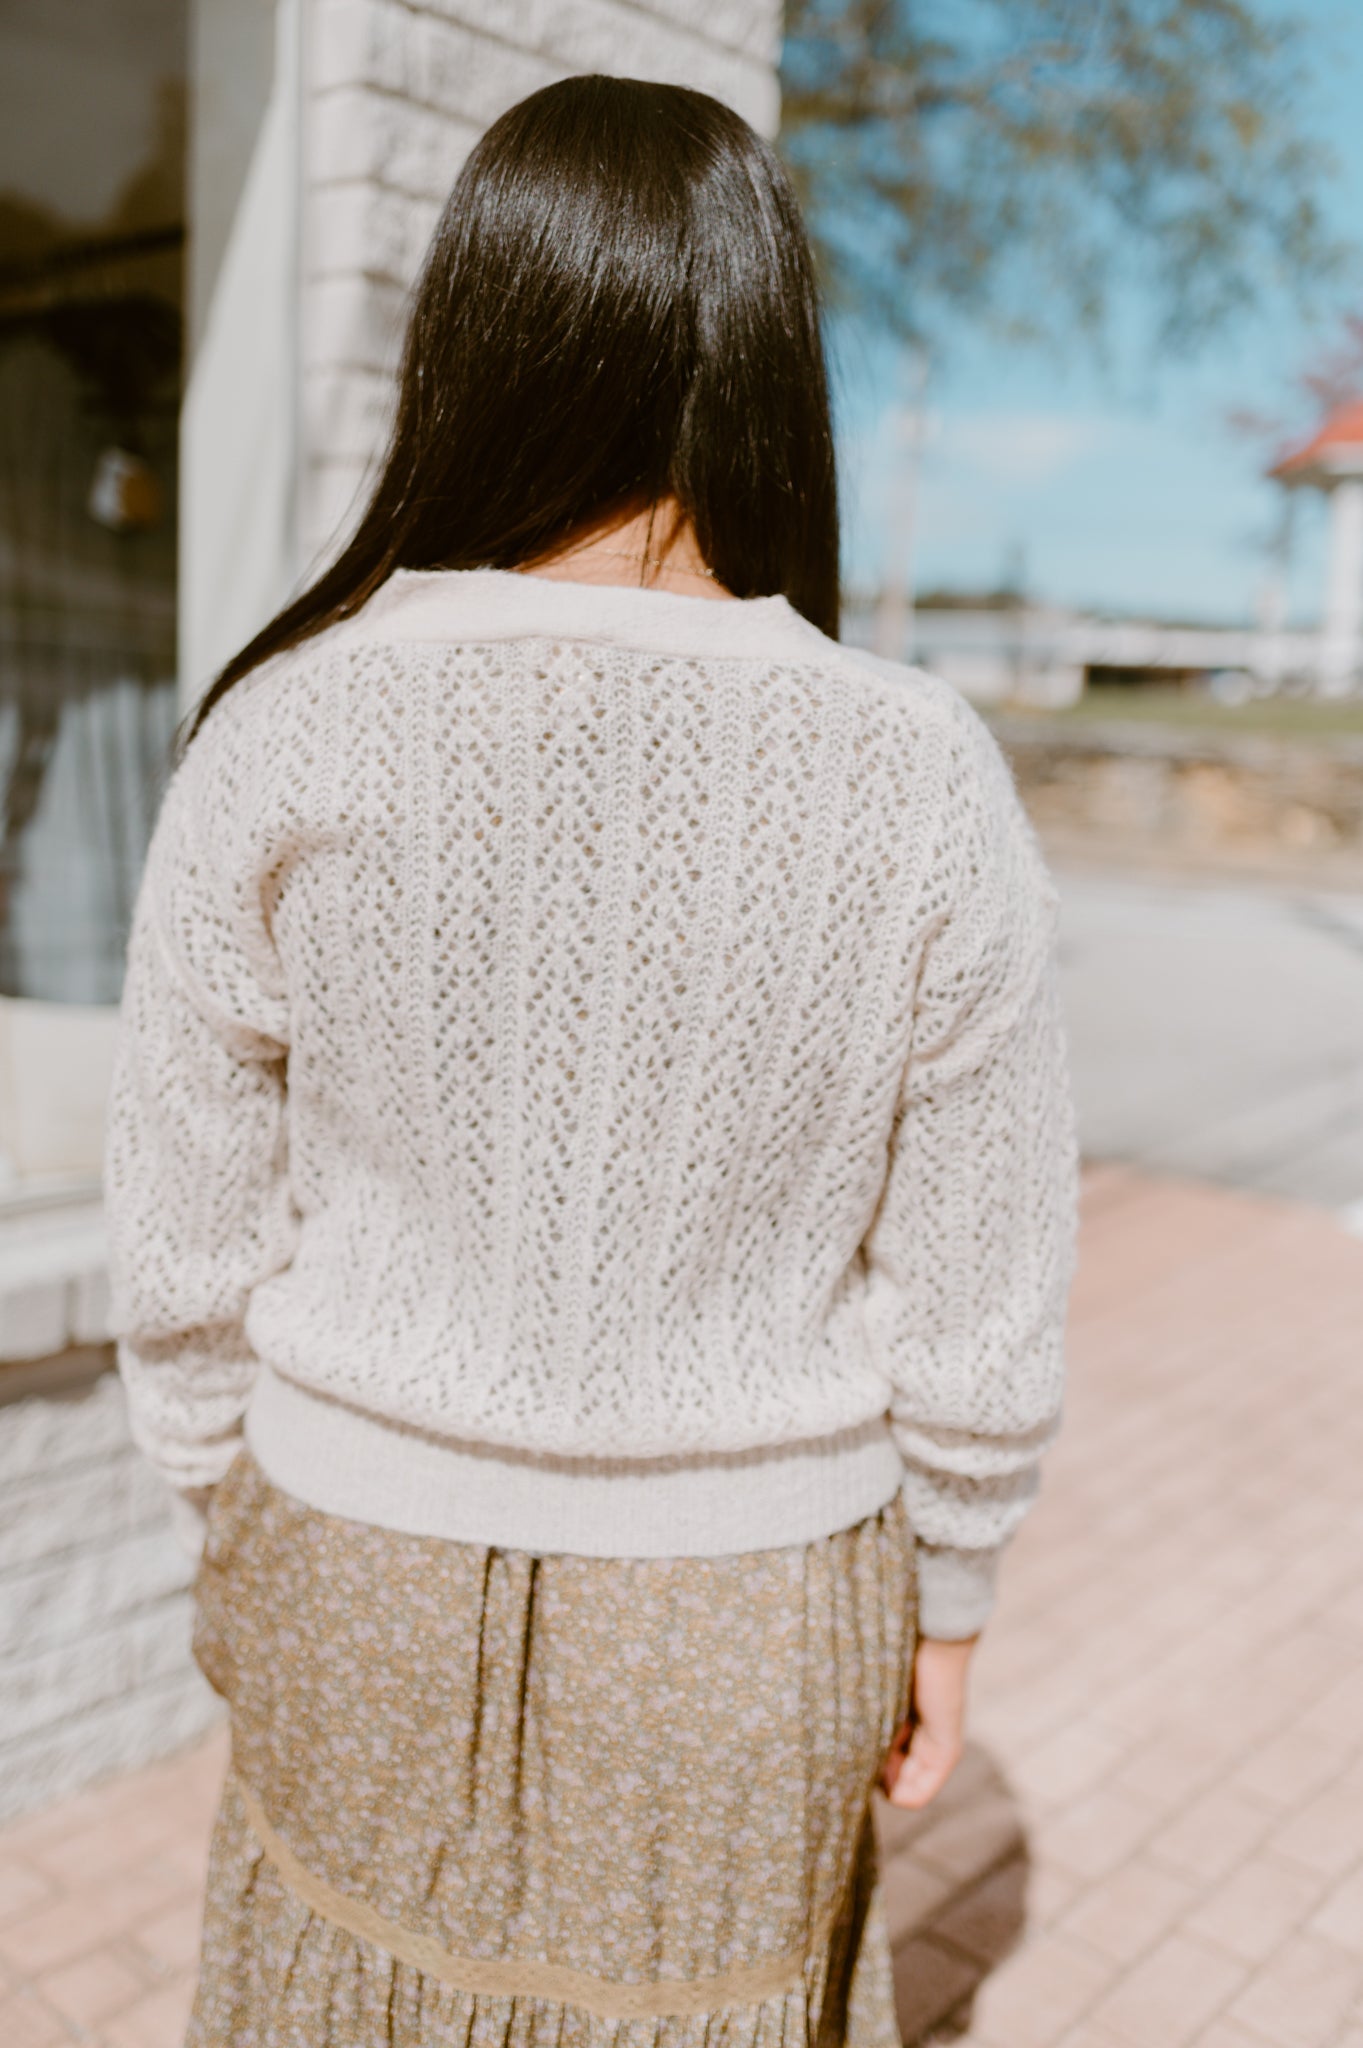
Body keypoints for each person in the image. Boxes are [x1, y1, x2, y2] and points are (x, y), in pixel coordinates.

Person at [103, 72, 1078, 2048]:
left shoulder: (290, 725)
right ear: (762, 354)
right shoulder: (917, 771)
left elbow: (178, 1224)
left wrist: (241, 1506)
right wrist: (949, 1602)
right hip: (750, 1610)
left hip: (343, 1557)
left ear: (477, 339)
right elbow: (981, 1277)